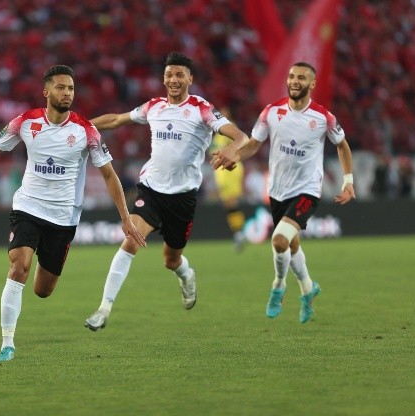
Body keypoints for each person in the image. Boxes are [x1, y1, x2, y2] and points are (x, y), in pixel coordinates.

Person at [0, 65, 146, 362]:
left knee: (43, 290)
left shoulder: (86, 131)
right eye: (60, 87)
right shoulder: (25, 122)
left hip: (64, 218)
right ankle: (7, 343)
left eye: (70, 88)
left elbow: (109, 175)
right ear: (46, 92)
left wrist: (124, 217)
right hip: (28, 207)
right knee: (19, 265)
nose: (67, 93)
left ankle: (31, 281)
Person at [84, 52, 249, 331]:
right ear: (164, 78)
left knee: (170, 260)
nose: (173, 80)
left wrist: (232, 149)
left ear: (189, 79)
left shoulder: (201, 108)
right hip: (151, 190)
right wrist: (82, 125)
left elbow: (241, 136)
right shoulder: (154, 106)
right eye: (169, 75)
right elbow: (115, 120)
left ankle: (186, 275)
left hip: (183, 198)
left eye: (179, 75)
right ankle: (103, 308)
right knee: (130, 242)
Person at [211, 62, 355, 324]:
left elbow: (342, 146)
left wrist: (348, 181)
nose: (294, 81)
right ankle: (308, 289)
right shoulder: (271, 112)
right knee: (292, 243)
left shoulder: (323, 117)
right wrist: (235, 156)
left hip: (307, 190)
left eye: (301, 77)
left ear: (312, 84)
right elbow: (254, 144)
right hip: (278, 190)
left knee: (279, 241)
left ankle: (278, 286)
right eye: (291, 76)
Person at [209, 107, 247, 252]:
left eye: (224, 113)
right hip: (221, 170)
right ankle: (238, 233)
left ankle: (239, 233)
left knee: (231, 201)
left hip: (230, 169)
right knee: (228, 203)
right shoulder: (218, 132)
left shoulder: (230, 128)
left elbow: (241, 143)